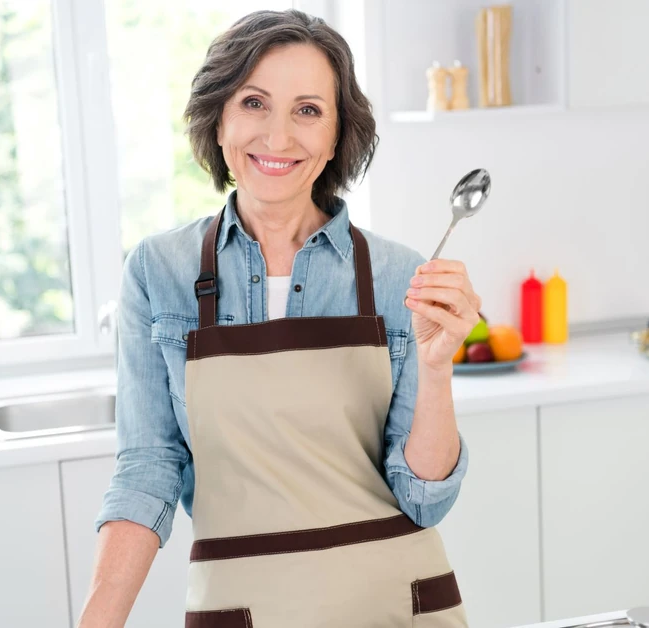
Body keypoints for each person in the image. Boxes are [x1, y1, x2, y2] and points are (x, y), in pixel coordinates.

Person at [79, 9, 477, 627]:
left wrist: (436, 367)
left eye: (308, 110)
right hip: (244, 612)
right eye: (255, 102)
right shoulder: (160, 271)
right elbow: (148, 468)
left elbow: (423, 497)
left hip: (397, 607)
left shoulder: (401, 276)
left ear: (336, 133)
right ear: (218, 121)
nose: (279, 136)